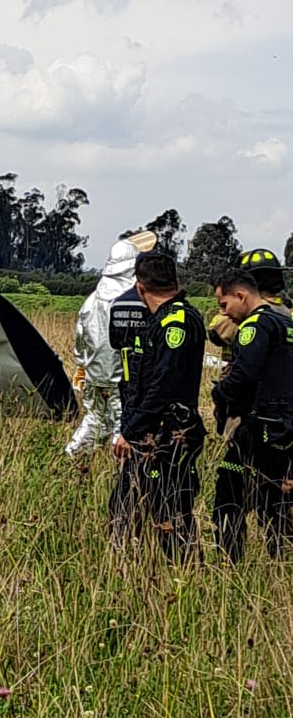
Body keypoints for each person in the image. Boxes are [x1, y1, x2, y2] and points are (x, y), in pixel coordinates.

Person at [110, 251, 206, 562]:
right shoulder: (160, 321)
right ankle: (127, 572)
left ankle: (185, 574)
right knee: (126, 506)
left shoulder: (176, 323)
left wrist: (130, 430)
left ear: (139, 288)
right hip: (152, 434)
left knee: (170, 510)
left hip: (169, 434)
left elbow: (162, 387)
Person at [211, 267, 293, 562]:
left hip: (257, 429)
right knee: (276, 500)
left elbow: (243, 376)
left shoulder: (253, 327)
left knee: (228, 496)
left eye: (224, 305)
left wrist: (219, 393)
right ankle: (282, 561)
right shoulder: (285, 323)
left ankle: (229, 563)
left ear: (241, 295)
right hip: (285, 428)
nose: (225, 314)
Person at [66, 231, 156, 457]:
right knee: (122, 424)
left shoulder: (92, 299)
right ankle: (122, 474)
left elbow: (80, 336)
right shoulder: (133, 298)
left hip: (94, 377)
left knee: (94, 419)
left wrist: (82, 366)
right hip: (122, 379)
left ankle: (73, 458)